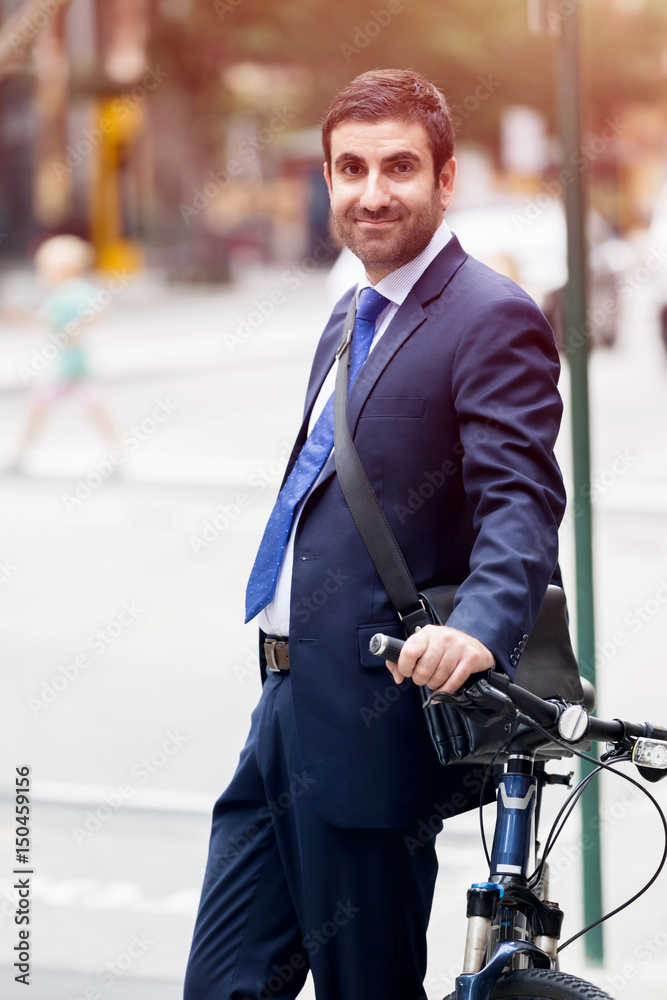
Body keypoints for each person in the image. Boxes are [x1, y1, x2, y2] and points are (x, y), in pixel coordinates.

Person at [184, 69, 566, 1000]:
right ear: (327, 181)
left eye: (399, 167)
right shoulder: (347, 318)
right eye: (349, 168)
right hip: (280, 707)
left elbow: (520, 496)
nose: (371, 192)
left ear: (443, 181)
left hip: (370, 719)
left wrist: (476, 626)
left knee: (367, 987)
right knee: (223, 985)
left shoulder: (490, 315)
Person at [11, 234, 119, 470]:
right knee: (46, 407)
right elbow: (44, 320)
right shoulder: (60, 294)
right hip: (64, 365)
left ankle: (21, 454)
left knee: (89, 407)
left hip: (70, 365)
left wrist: (79, 327)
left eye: (45, 270)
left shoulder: (75, 290)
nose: (42, 276)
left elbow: (99, 309)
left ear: (61, 269)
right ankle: (21, 453)